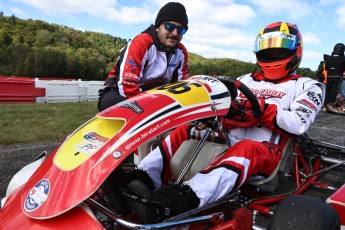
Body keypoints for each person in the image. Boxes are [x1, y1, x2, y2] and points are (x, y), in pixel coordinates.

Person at [112, 22, 324, 224]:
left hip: (267, 150)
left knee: (246, 148)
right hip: (227, 140)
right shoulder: (246, 79)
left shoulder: (307, 85)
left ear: (295, 51)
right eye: (269, 50)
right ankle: (140, 181)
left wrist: (260, 110)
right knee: (186, 130)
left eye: (280, 51)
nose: (273, 56)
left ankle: (178, 200)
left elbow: (299, 123)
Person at [97, 2, 190, 111]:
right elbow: (127, 87)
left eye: (181, 30)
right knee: (135, 110)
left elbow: (184, 84)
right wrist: (153, 108)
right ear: (157, 27)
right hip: (118, 93)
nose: (175, 33)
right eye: (169, 27)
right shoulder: (141, 43)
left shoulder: (181, 52)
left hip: (153, 95)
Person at [323, 43, 345, 112]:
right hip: (337, 76)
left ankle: (325, 105)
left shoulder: (328, 58)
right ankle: (330, 105)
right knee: (334, 91)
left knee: (328, 91)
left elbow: (326, 68)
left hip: (329, 76)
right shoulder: (343, 58)